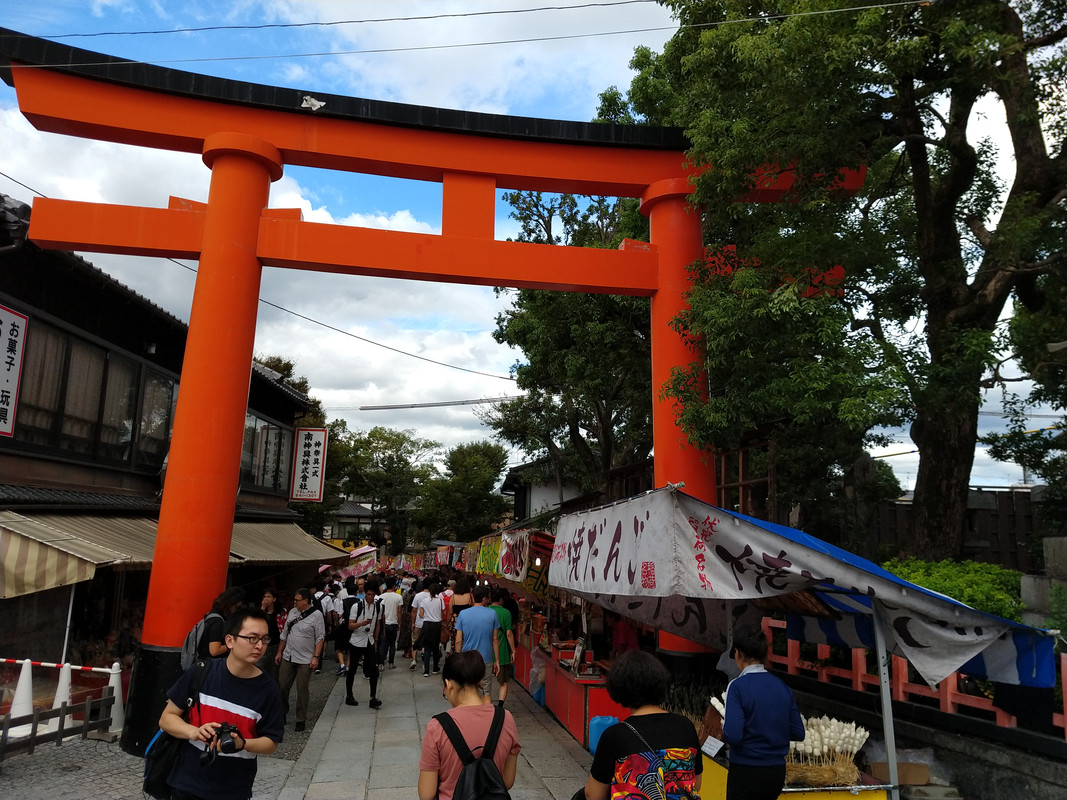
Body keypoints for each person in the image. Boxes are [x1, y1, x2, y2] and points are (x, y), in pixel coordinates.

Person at [159, 608, 284, 800]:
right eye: (252, 638)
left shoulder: (269, 690)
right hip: (186, 782)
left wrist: (242, 744)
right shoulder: (201, 672)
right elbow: (167, 718)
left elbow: (271, 743)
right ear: (229, 641)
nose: (259, 645)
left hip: (233, 788)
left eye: (264, 639)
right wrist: (194, 732)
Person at [580, 649, 702, 800]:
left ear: (619, 688)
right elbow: (695, 783)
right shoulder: (686, 727)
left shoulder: (615, 736)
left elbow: (593, 795)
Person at [417, 650, 522, 800]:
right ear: (479, 681)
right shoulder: (505, 718)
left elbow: (426, 794)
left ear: (449, 684)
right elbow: (507, 781)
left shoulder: (437, 727)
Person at [721, 627, 805, 800]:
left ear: (738, 653)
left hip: (746, 769)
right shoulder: (783, 687)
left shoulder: (737, 687)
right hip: (776, 773)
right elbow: (798, 732)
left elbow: (733, 735)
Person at [275, 588, 325, 733]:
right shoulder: (292, 612)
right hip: (288, 655)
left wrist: (316, 656)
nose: (295, 602)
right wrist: (279, 651)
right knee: (282, 686)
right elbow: (284, 634)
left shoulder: (316, 615)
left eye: (297, 600)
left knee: (302, 689)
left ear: (305, 600)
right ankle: (283, 711)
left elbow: (320, 637)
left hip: (305, 658)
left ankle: (300, 718)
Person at [454, 585, 499, 700]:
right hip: (486, 658)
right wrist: (497, 660)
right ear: (484, 599)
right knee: (486, 691)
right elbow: (495, 639)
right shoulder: (492, 614)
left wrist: (458, 658)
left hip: (468, 659)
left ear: (473, 597)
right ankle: (487, 716)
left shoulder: (463, 614)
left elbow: (458, 640)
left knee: (469, 690)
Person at [345, 583, 384, 708]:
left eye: (373, 595)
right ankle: (349, 695)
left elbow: (378, 623)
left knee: (374, 670)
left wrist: (376, 638)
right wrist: (361, 623)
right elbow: (350, 625)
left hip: (369, 640)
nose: (370, 597)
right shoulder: (356, 606)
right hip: (356, 640)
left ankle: (372, 697)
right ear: (364, 594)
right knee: (353, 669)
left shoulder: (378, 607)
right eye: (368, 594)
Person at [199, 587, 246, 660]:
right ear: (231, 604)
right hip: (212, 665)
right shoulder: (217, 622)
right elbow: (214, 651)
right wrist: (233, 644)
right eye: (237, 607)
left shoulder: (211, 616)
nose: (237, 610)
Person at [490, 586, 516, 706]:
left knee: (485, 681)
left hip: (487, 651)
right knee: (503, 681)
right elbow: (509, 633)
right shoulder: (506, 613)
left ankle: (487, 702)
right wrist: (513, 650)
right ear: (501, 599)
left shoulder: (486, 611)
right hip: (502, 651)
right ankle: (500, 706)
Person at [418, 582, 446, 677]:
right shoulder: (440, 600)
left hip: (427, 625)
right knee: (435, 647)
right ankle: (435, 667)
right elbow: (443, 612)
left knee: (426, 648)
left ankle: (426, 670)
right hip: (437, 625)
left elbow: (421, 615)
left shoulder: (424, 601)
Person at [256, 588, 284, 681]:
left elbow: (284, 631)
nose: (266, 599)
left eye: (268, 596)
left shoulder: (280, 613)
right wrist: (263, 609)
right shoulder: (261, 612)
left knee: (274, 674)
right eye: (264, 596)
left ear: (274, 599)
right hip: (263, 645)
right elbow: (257, 625)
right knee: (260, 672)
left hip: (275, 646)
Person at [377, 576, 403, 669]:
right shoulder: (398, 597)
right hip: (393, 622)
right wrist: (399, 623)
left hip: (383, 623)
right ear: (394, 586)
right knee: (392, 644)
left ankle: (381, 663)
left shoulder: (380, 597)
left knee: (382, 644)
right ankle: (391, 662)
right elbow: (399, 611)